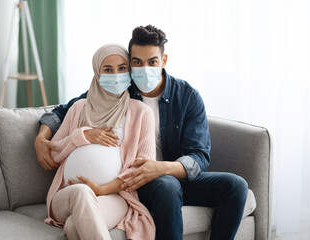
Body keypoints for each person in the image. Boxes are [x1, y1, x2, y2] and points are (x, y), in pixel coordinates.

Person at [36, 25, 248, 240]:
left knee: (235, 185)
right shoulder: (120, 88)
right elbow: (66, 109)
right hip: (137, 180)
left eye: (152, 62)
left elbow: (199, 156)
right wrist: (41, 137)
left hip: (170, 174)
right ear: (130, 63)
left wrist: (161, 168)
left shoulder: (187, 97)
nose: (144, 69)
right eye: (137, 62)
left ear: (163, 61)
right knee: (167, 185)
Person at [44, 43, 156, 240]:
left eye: (122, 68)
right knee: (81, 191)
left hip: (114, 197)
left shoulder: (141, 112)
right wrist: (82, 136)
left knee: (73, 227)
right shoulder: (79, 108)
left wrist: (103, 189)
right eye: (108, 69)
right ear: (97, 73)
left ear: (129, 71)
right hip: (67, 194)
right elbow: (53, 153)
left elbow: (142, 167)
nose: (116, 75)